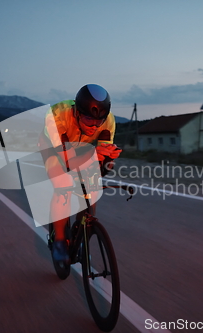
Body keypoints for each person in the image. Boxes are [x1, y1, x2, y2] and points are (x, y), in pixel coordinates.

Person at [38, 84, 122, 264]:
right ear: (77, 112)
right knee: (63, 184)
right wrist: (93, 155)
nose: (94, 126)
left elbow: (102, 160)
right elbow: (68, 163)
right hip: (56, 148)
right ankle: (59, 241)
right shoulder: (57, 116)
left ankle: (81, 236)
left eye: (98, 122)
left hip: (84, 147)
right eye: (88, 119)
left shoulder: (107, 121)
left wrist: (108, 161)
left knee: (91, 189)